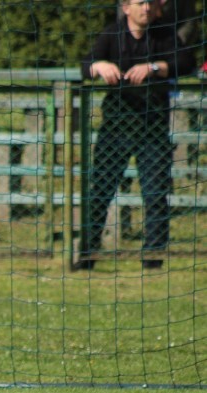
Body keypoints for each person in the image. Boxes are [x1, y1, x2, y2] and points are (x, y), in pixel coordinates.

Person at [78, 0, 195, 270]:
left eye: (149, 3)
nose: (146, 8)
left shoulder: (165, 35)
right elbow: (85, 65)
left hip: (153, 128)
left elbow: (187, 61)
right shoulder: (111, 34)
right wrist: (100, 67)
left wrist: (155, 68)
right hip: (116, 128)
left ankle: (153, 257)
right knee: (101, 192)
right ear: (126, 7)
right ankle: (87, 253)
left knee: (155, 193)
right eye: (140, 2)